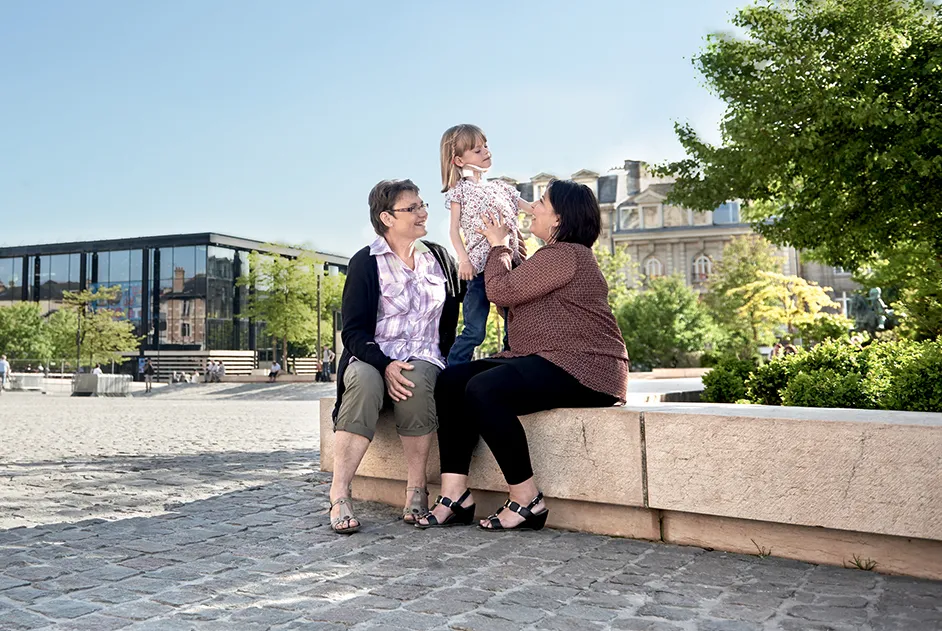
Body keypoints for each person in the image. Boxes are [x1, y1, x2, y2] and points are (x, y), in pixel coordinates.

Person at [417, 179, 630, 531]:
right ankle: (455, 494)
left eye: (542, 202)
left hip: (588, 367)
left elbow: (500, 290)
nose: (533, 205)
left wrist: (498, 246)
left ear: (559, 219)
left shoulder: (566, 254)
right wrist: (507, 252)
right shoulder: (551, 257)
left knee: (485, 389)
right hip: (551, 358)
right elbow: (511, 299)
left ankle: (526, 498)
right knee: (453, 380)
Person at [328, 178, 463, 534]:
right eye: (412, 208)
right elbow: (353, 331)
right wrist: (383, 364)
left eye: (423, 205)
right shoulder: (365, 262)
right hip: (374, 356)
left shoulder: (438, 258)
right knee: (363, 380)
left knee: (416, 379)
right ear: (387, 218)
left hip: (425, 357)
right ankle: (340, 492)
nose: (422, 213)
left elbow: (465, 299)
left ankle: (416, 489)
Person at [440, 124, 528, 365]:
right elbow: (454, 230)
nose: (486, 152)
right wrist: (464, 260)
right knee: (475, 330)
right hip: (479, 268)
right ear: (458, 160)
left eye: (485, 146)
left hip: (509, 266)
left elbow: (531, 208)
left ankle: (513, 362)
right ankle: (452, 371)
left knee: (515, 324)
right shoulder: (460, 191)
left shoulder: (501, 188)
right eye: (477, 150)